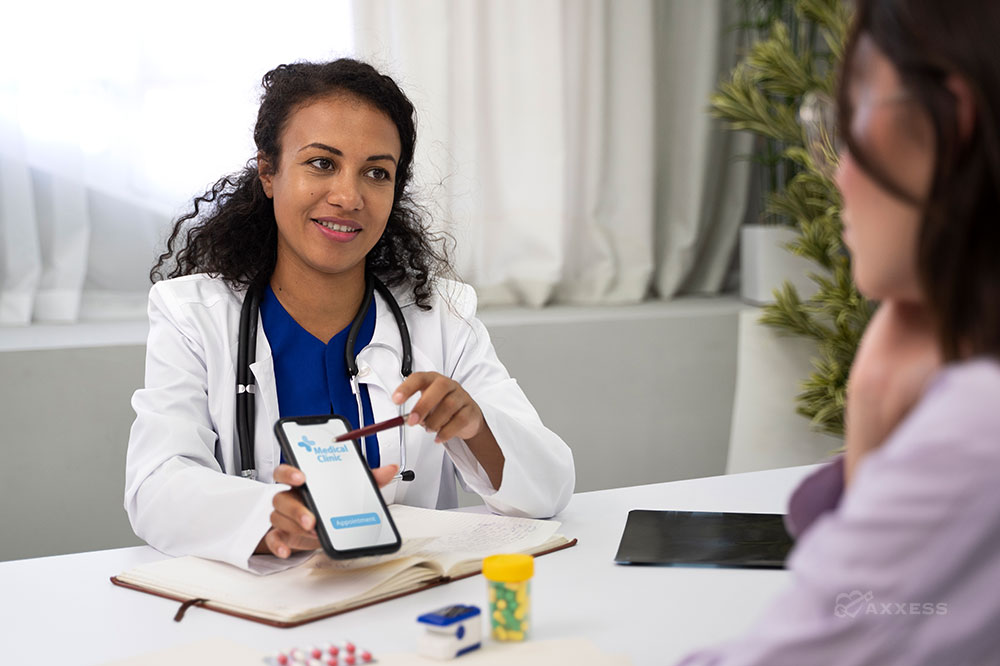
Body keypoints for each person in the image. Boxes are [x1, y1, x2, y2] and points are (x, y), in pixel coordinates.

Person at [124, 59, 575, 571]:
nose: (348, 196)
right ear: (269, 172)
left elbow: (550, 491)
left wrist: (478, 427)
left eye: (376, 172)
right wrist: (266, 514)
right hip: (269, 608)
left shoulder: (442, 315)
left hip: (406, 600)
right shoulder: (194, 315)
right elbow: (156, 485)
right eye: (321, 163)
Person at [677, 0, 1000, 663]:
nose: (833, 173)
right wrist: (875, 411)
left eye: (847, 119)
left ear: (952, 127)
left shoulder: (978, 427)